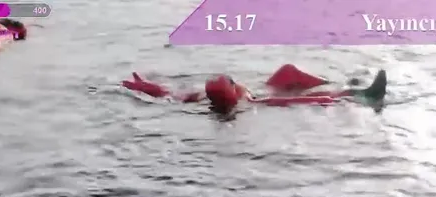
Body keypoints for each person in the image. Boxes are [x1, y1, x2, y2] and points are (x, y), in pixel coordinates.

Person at [122, 64, 388, 115]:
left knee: (288, 71)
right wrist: (341, 96)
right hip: (263, 96)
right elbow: (303, 101)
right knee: (314, 95)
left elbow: (165, 93)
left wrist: (143, 85)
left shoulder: (198, 96)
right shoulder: (246, 103)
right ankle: (360, 93)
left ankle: (339, 85)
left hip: (263, 90)